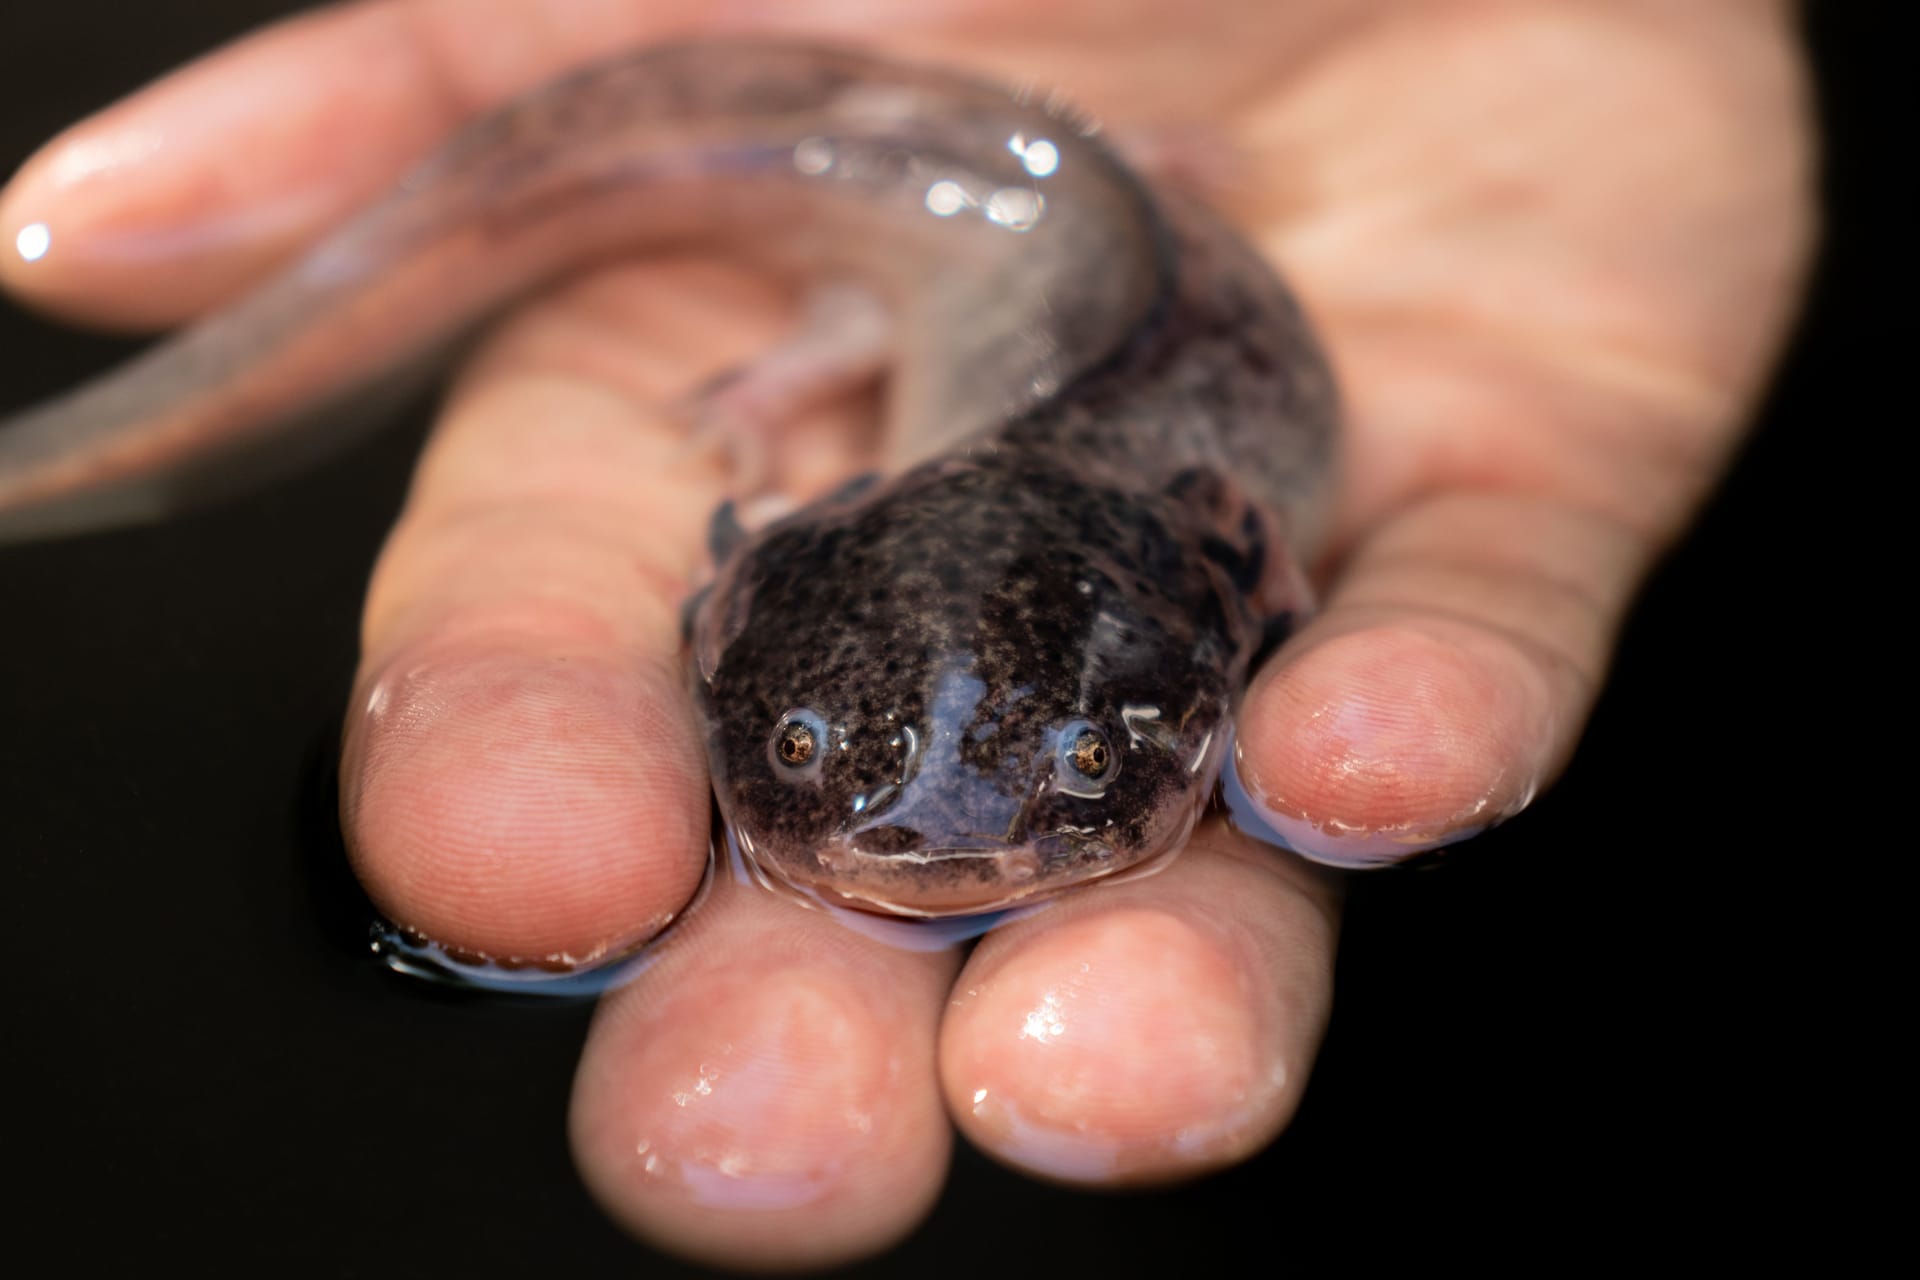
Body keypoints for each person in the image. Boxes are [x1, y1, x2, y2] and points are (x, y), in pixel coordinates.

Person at [0, 0, 1812, 1269]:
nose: (933, 834)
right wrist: (826, 349)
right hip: (992, 230)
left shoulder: (1215, 538)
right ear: (744, 571)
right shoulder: (927, 515)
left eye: (1091, 766)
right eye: (805, 757)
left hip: (1055, 243)